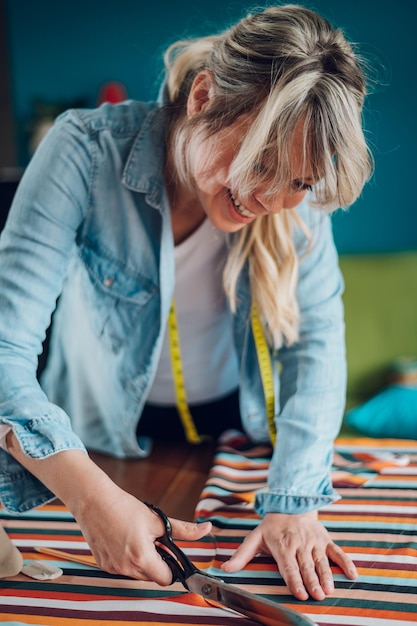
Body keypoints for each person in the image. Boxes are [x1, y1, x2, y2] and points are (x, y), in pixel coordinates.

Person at [0, 3, 373, 601]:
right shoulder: (83, 151)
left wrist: (296, 500)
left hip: (235, 434)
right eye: (263, 163)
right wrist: (92, 500)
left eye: (299, 182)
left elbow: (316, 345)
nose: (273, 198)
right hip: (94, 445)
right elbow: (3, 349)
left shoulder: (296, 198)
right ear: (202, 97)